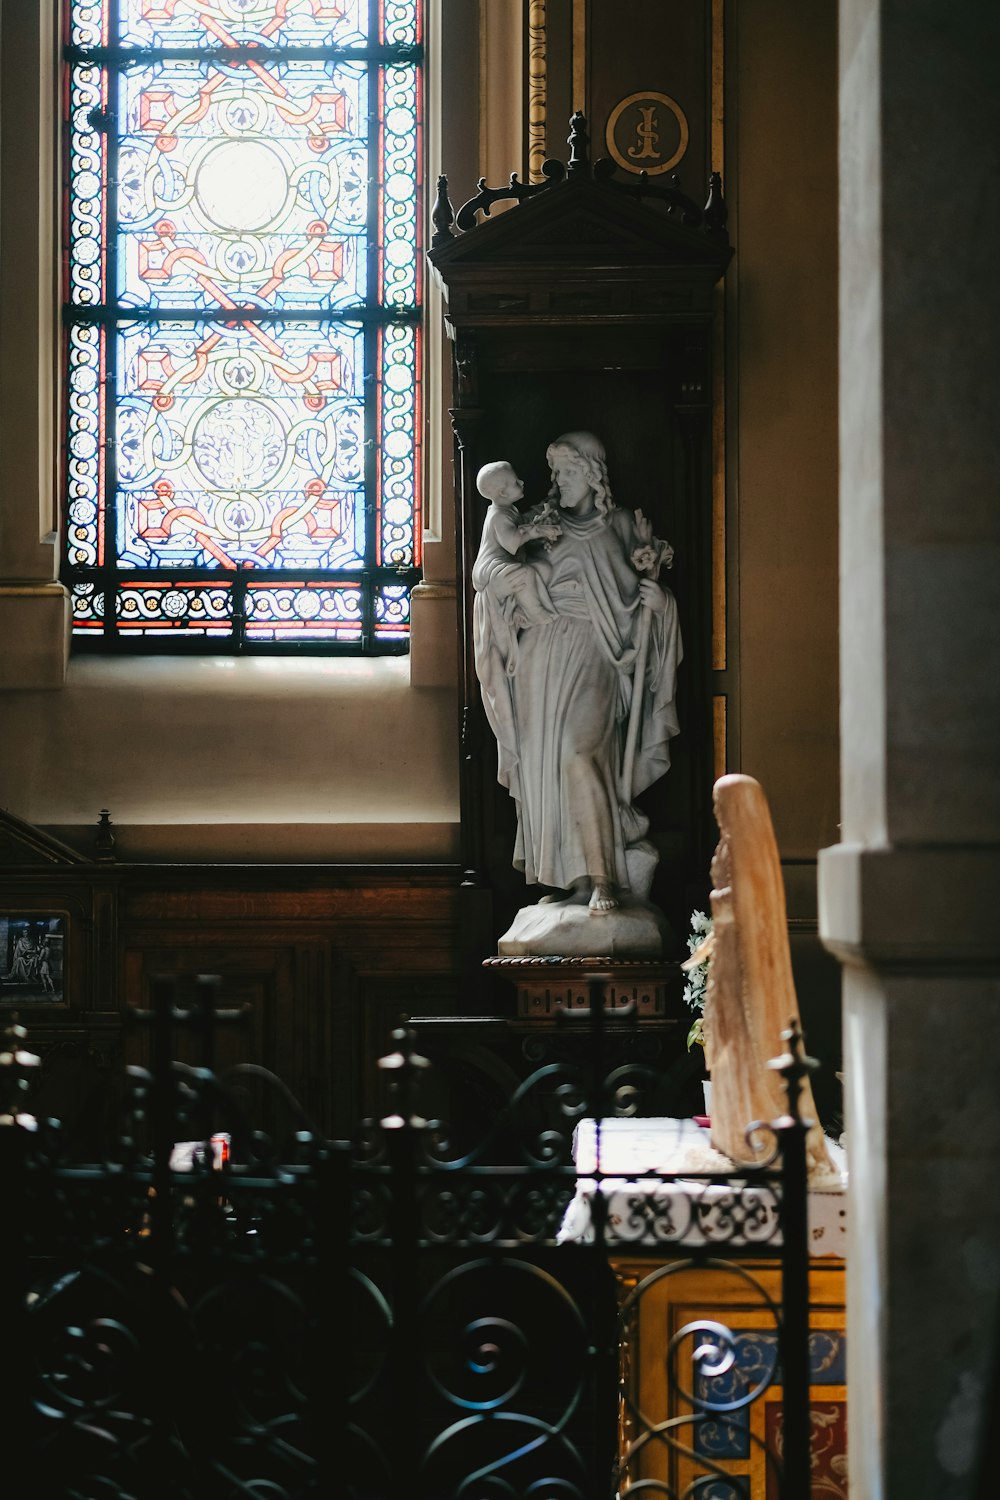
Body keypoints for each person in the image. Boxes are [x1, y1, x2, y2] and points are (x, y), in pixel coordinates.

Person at [473, 431, 682, 913]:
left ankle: (605, 876)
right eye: (555, 472)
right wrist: (504, 594)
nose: (558, 480)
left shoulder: (625, 525)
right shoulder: (539, 524)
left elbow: (648, 600)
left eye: (567, 471)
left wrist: (661, 602)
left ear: (592, 473)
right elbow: (488, 572)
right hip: (539, 654)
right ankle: (575, 880)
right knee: (547, 765)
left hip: (598, 652)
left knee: (578, 752)